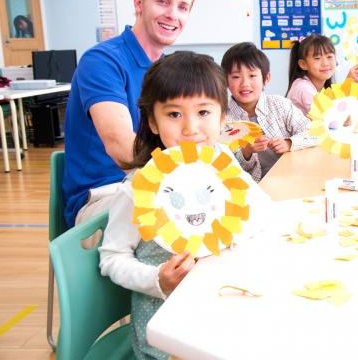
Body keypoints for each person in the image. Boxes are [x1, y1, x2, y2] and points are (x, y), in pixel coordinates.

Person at [99, 51, 269, 360]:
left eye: (203, 112)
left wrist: (236, 234)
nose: (190, 128)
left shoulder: (224, 163)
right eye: (174, 114)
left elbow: (261, 211)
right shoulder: (140, 186)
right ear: (153, 121)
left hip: (225, 311)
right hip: (167, 337)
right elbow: (112, 258)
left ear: (223, 116)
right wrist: (157, 279)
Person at [63, 0, 195, 228]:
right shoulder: (102, 61)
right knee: (194, 216)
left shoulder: (167, 71)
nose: (172, 14)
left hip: (153, 186)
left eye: (182, 7)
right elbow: (123, 149)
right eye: (162, 1)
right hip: (102, 199)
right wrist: (189, 177)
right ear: (139, 3)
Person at [222, 42, 317, 181]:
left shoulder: (280, 105)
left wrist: (289, 143)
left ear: (266, 78)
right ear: (225, 81)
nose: (245, 83)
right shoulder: (222, 119)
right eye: (236, 77)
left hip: (290, 179)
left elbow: (314, 132)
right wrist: (246, 151)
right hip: (249, 189)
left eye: (252, 76)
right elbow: (222, 166)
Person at [286, 33, 358, 116]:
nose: (325, 63)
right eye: (317, 58)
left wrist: (354, 85)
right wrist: (348, 84)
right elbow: (331, 117)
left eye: (329, 57)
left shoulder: (322, 89)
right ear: (303, 64)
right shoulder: (303, 87)